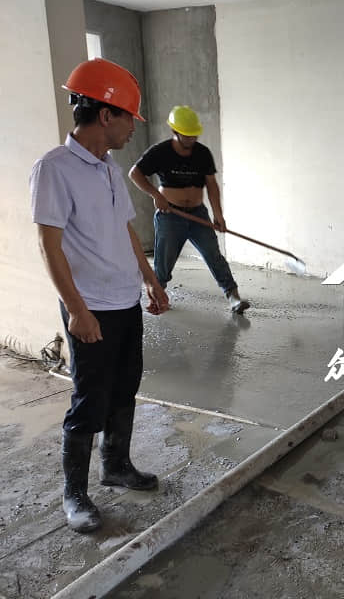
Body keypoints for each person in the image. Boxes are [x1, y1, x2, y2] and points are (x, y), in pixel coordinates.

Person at [30, 58, 169, 533]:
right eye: (129, 117)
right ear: (106, 114)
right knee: (89, 400)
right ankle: (75, 493)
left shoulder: (110, 167)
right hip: (90, 308)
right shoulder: (54, 169)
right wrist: (77, 310)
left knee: (125, 386)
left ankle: (117, 465)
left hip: (125, 301)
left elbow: (125, 228)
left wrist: (149, 278)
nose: (133, 127)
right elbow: (49, 246)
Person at [129, 105, 250, 314]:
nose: (192, 139)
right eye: (187, 135)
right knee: (163, 262)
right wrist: (156, 195)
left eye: (194, 134)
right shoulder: (160, 152)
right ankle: (157, 298)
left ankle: (233, 297)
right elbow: (135, 173)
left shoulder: (202, 153)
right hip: (170, 215)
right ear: (174, 131)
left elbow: (211, 185)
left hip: (197, 215)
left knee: (214, 255)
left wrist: (218, 215)